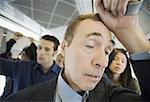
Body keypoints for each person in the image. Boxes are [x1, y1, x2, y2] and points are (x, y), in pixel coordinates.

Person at [4, 0, 147, 101]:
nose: (103, 62)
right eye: (90, 46)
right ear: (65, 48)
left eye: (107, 51)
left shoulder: (111, 95)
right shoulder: (20, 99)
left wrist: (129, 30)